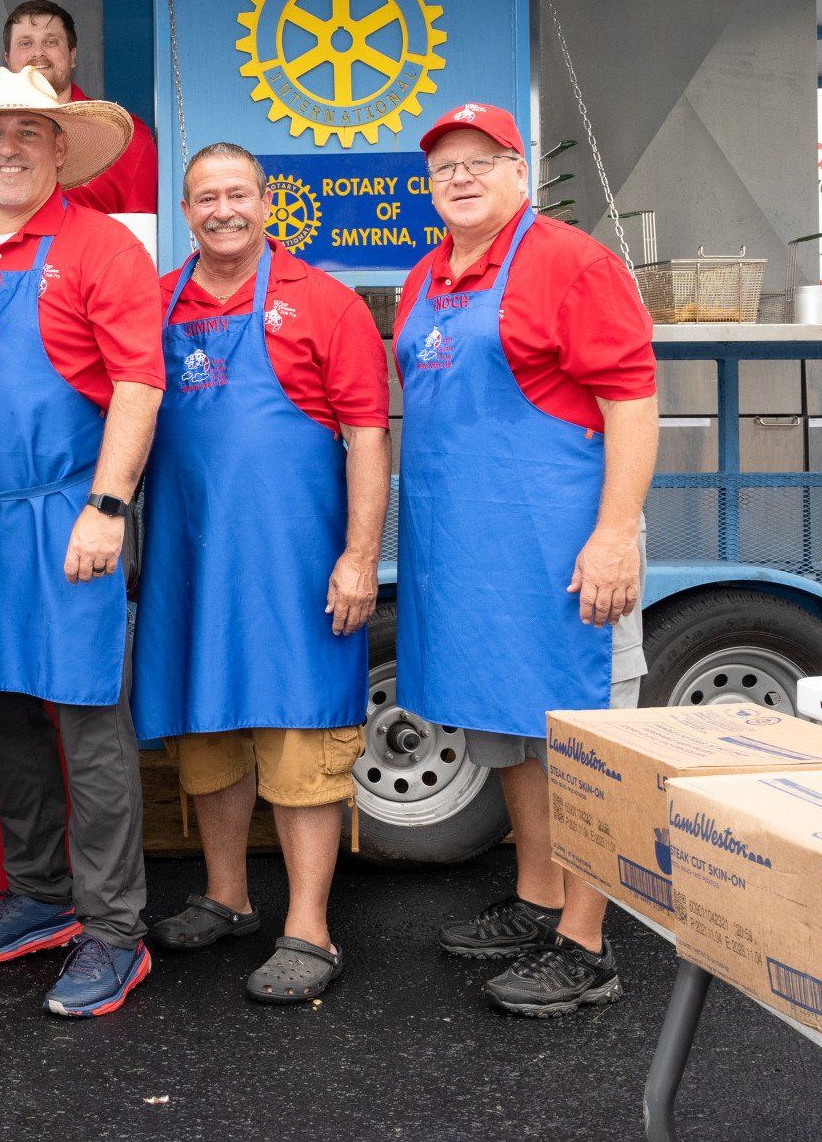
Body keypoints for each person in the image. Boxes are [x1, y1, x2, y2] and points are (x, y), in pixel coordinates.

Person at [0, 66, 164, 1018]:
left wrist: (107, 505)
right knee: (3, 712)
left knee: (89, 722)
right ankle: (42, 894)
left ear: (61, 149)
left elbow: (138, 384)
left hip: (68, 513)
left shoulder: (99, 248)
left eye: (29, 131)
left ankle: (114, 930)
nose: (8, 146)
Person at [394, 102, 658, 1018]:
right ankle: (540, 897)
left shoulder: (572, 262)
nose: (459, 178)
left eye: (480, 161)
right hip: (470, 555)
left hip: (562, 547)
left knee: (582, 739)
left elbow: (630, 400)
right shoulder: (428, 275)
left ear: (520, 172)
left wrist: (616, 531)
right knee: (508, 731)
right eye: (443, 168)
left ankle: (587, 945)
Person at [130, 142, 391, 1005]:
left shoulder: (325, 302)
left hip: (294, 569)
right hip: (191, 565)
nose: (222, 211)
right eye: (204, 198)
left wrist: (360, 556)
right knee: (207, 735)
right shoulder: (158, 303)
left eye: (236, 194)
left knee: (300, 738)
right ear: (186, 208)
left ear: (267, 203)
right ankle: (227, 894)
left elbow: (368, 436)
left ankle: (308, 928)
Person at [2, 0, 158, 217]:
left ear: (72, 56)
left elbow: (141, 238)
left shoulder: (125, 136)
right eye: (25, 43)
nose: (38, 53)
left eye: (51, 42)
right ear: (7, 59)